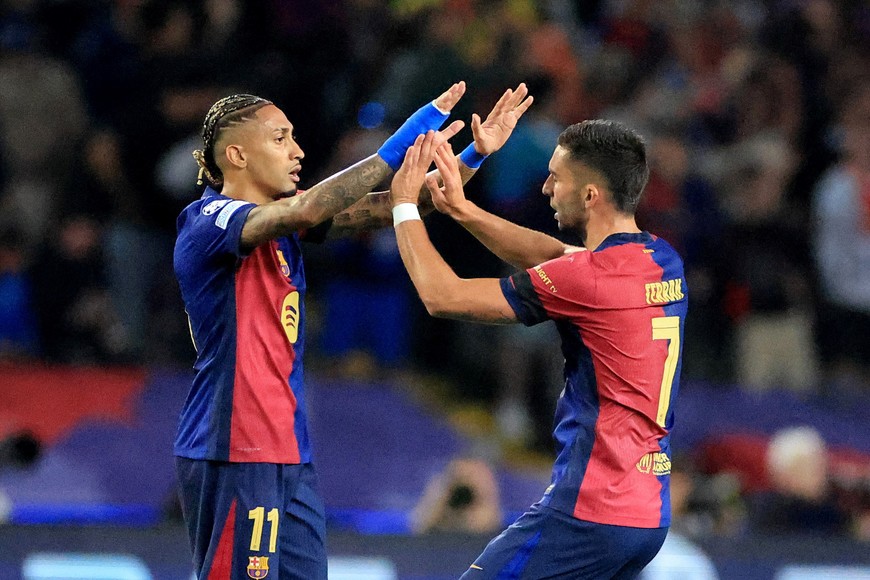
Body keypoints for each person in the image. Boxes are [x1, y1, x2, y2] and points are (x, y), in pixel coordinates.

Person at [173, 81, 533, 579]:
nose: (298, 151)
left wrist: (472, 154)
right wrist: (399, 141)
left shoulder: (287, 222)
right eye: (280, 139)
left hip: (287, 449)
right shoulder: (210, 220)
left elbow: (400, 205)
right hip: (233, 444)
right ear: (236, 154)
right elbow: (309, 208)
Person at [390, 120, 688, 578]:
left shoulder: (588, 279)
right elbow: (555, 255)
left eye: (556, 177)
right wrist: (462, 210)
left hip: (589, 511)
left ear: (590, 195)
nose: (546, 187)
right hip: (647, 515)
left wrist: (404, 206)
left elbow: (441, 295)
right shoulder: (661, 259)